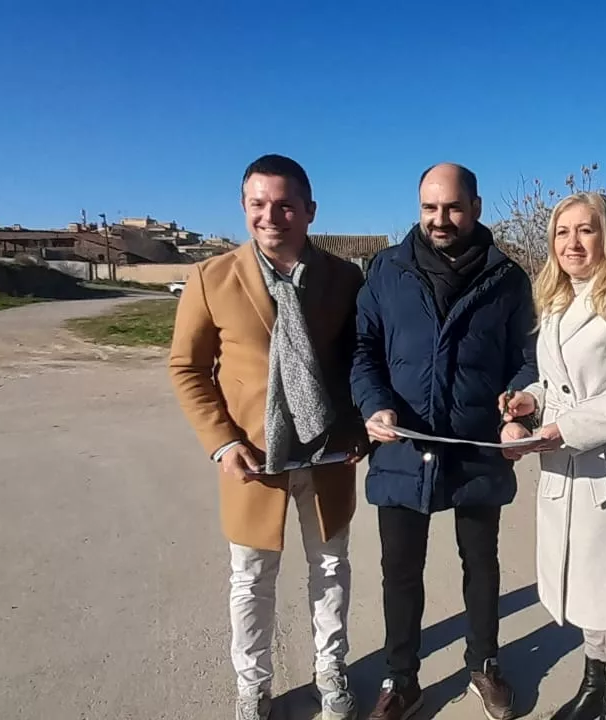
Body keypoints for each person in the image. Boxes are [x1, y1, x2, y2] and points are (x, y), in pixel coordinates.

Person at [169, 154, 369, 720]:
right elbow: (187, 367)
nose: (271, 215)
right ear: (244, 207)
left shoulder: (343, 278)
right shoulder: (212, 278)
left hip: (328, 454)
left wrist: (358, 426)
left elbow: (358, 360)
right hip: (253, 458)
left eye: (284, 204)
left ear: (309, 210)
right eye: (258, 204)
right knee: (251, 578)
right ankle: (252, 685)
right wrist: (223, 443)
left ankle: (331, 671)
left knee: (330, 569)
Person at [351, 162, 537, 720]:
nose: (441, 219)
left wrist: (518, 411)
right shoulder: (385, 271)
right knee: (400, 571)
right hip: (403, 447)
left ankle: (485, 664)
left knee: (481, 563)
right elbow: (363, 350)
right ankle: (401, 679)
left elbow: (526, 360)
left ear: (476, 207)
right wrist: (372, 404)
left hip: (477, 447)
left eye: (453, 207)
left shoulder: (508, 279)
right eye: (430, 208)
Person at [500, 191, 606, 720]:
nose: (573, 242)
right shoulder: (557, 298)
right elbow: (562, 383)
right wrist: (532, 400)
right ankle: (594, 684)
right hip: (564, 464)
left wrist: (564, 428)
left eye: (585, 230)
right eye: (562, 232)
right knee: (583, 586)